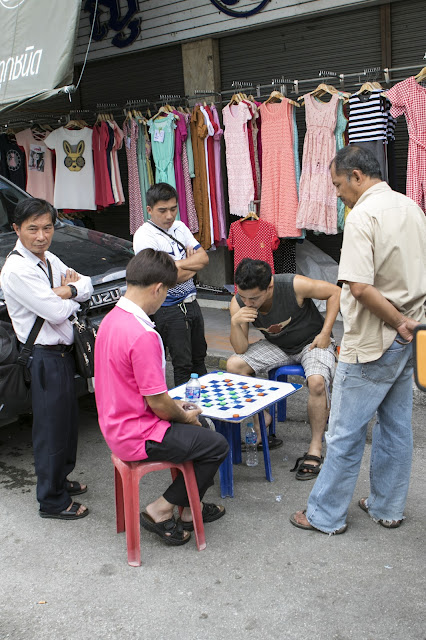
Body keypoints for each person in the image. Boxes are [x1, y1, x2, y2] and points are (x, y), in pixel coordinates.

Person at [291, 145, 426, 534]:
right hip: (409, 336)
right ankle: (387, 507)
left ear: (357, 176)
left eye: (337, 184)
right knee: (397, 427)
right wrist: (409, 323)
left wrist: (399, 321)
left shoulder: (363, 214)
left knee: (346, 433)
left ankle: (324, 515)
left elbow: (361, 288)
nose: (336, 192)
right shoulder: (410, 207)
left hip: (377, 338)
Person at [94, 249, 228, 546]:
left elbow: (142, 390)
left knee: (196, 433)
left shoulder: (112, 319)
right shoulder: (144, 334)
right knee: (215, 444)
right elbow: (157, 404)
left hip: (114, 424)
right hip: (135, 434)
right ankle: (162, 508)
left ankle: (190, 507)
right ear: (158, 289)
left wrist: (174, 406)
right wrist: (183, 414)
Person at [1, 198, 93, 519]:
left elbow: (88, 284)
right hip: (42, 357)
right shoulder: (16, 269)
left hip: (64, 353)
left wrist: (66, 292)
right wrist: (69, 295)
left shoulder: (48, 258)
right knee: (51, 430)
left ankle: (61, 479)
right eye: (33, 229)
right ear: (17, 229)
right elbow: (57, 310)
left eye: (47, 227)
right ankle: (51, 501)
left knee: (68, 424)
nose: (41, 236)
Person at [227, 258, 341, 477]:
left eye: (254, 298)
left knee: (317, 382)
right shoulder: (239, 303)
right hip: (278, 345)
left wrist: (326, 333)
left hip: (312, 343)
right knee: (234, 364)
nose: (248, 303)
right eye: (243, 296)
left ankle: (315, 447)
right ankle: (263, 420)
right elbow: (240, 348)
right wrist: (235, 322)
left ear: (269, 286)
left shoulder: (292, 285)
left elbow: (335, 292)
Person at [133, 183, 209, 386]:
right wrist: (187, 268)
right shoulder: (144, 236)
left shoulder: (180, 227)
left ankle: (204, 412)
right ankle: (183, 415)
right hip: (168, 308)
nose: (169, 216)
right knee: (182, 365)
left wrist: (176, 266)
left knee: (199, 359)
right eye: (162, 210)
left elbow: (203, 259)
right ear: (149, 210)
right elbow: (162, 277)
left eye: (173, 209)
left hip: (191, 303)